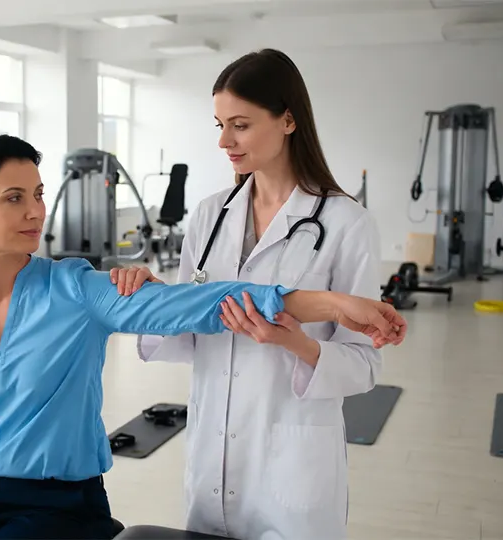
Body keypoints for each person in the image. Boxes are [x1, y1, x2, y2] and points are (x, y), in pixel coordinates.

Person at [0, 134, 406, 540]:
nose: (36, 211)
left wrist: (330, 302)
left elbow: (201, 303)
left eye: (38, 194)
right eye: (15, 198)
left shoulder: (77, 287)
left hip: (61, 507)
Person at [112, 48, 391, 540]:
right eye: (218, 124)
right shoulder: (209, 214)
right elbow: (195, 325)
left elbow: (365, 364)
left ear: (288, 120)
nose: (224, 141)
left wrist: (295, 343)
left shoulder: (346, 223)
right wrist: (161, 304)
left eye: (240, 124)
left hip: (292, 464)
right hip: (212, 457)